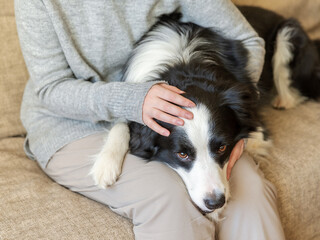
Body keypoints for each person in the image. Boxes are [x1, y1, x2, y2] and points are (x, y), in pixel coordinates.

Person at [14, 0, 286, 239]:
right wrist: (133, 101)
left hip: (177, 114)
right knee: (169, 199)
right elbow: (51, 88)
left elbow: (246, 41)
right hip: (70, 121)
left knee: (251, 192)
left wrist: (236, 109)